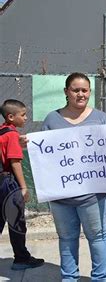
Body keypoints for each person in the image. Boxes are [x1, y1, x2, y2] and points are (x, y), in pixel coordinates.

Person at [41, 72, 106, 281]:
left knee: (97, 236)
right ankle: (69, 277)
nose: (80, 94)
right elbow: (43, 155)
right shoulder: (51, 119)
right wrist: (28, 145)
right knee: (66, 238)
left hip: (93, 196)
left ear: (90, 92)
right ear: (66, 92)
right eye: (75, 90)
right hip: (61, 196)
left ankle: (100, 278)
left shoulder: (100, 118)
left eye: (85, 90)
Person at [0, 99, 44, 271]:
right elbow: (15, 162)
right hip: (8, 182)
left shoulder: (3, 132)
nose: (26, 118)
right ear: (11, 116)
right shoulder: (11, 134)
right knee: (16, 222)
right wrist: (24, 187)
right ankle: (21, 258)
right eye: (23, 115)